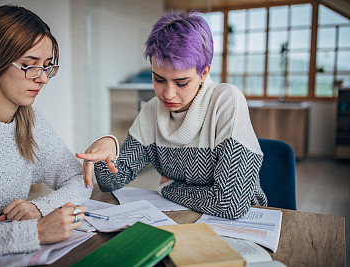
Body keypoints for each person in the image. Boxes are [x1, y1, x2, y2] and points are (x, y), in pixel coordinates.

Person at [77, 11, 267, 220]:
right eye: (159, 79)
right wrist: (109, 145)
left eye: (181, 83)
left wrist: (168, 187)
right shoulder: (151, 110)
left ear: (204, 73)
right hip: (184, 216)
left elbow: (230, 203)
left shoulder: (225, 100)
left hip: (241, 222)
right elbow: (110, 182)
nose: (167, 94)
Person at [0, 5, 91, 262]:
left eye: (47, 66)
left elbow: (79, 179)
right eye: (29, 65)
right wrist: (35, 232)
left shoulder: (30, 122)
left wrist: (39, 208)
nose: (43, 79)